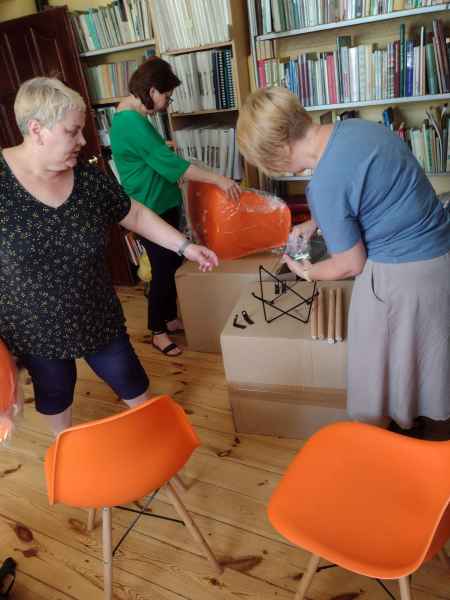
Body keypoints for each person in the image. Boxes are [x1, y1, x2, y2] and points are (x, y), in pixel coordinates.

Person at [0, 77, 218, 437]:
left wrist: (185, 246)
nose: (84, 141)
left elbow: (132, 213)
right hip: (32, 327)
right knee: (54, 396)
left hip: (97, 314)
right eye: (73, 132)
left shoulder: (86, 177)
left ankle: (162, 444)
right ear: (37, 130)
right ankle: (66, 450)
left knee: (133, 383)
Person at [237, 86, 450, 435]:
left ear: (277, 150)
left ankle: (398, 439)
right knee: (428, 366)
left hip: (406, 277)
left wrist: (308, 272)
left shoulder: (323, 185)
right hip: (440, 256)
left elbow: (351, 264)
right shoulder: (357, 128)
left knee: (375, 368)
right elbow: (363, 186)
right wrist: (314, 221)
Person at [110, 57, 241, 357]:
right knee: (163, 271)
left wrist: (159, 149)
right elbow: (175, 168)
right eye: (167, 96)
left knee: (169, 267)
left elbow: (148, 154)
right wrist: (219, 179)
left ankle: (169, 318)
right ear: (153, 90)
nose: (168, 103)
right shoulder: (130, 121)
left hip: (160, 204)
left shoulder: (133, 116)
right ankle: (157, 330)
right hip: (150, 210)